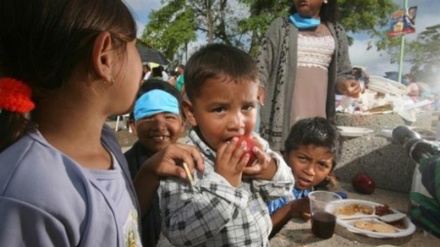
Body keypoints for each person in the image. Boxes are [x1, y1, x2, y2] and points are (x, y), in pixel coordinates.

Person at [0, 1, 204, 246]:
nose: (141, 65)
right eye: (134, 48)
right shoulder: (29, 191)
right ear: (104, 57)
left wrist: (149, 171)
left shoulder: (105, 142)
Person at [160, 43, 295, 246]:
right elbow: (179, 233)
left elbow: (284, 188)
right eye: (220, 109)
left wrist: (268, 169)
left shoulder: (257, 146)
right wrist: (224, 184)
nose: (237, 123)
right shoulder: (184, 164)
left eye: (247, 107)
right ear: (191, 113)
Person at [256, 0, 361, 151]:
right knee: (285, 158)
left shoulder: (336, 32)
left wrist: (345, 85)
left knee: (312, 155)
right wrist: (258, 85)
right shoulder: (281, 26)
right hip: (286, 114)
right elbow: (262, 63)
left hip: (318, 113)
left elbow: (342, 72)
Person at [124, 79, 185, 246]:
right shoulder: (121, 167)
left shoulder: (194, 164)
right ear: (133, 126)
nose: (159, 125)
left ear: (183, 124)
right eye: (149, 116)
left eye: (169, 116)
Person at [266, 117, 342, 238]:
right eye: (303, 158)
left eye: (322, 165)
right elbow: (255, 233)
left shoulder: (306, 189)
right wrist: (290, 209)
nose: (310, 171)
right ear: (284, 153)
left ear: (330, 171)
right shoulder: (269, 185)